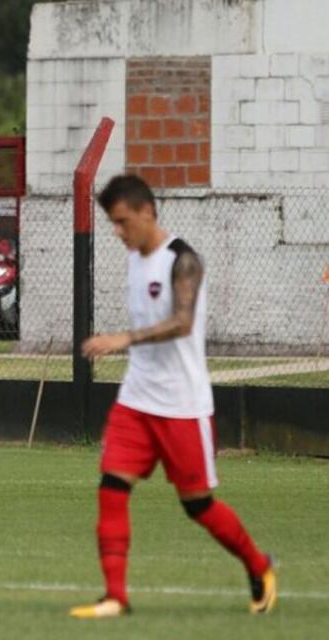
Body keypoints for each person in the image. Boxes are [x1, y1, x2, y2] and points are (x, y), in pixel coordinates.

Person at [70, 174, 275, 618]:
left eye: (123, 221)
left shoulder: (183, 261)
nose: (118, 232)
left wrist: (124, 338)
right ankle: (115, 597)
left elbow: (182, 322)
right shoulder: (134, 258)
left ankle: (259, 565)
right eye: (113, 223)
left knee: (197, 505)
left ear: (147, 212)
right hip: (136, 400)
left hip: (182, 405)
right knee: (111, 487)